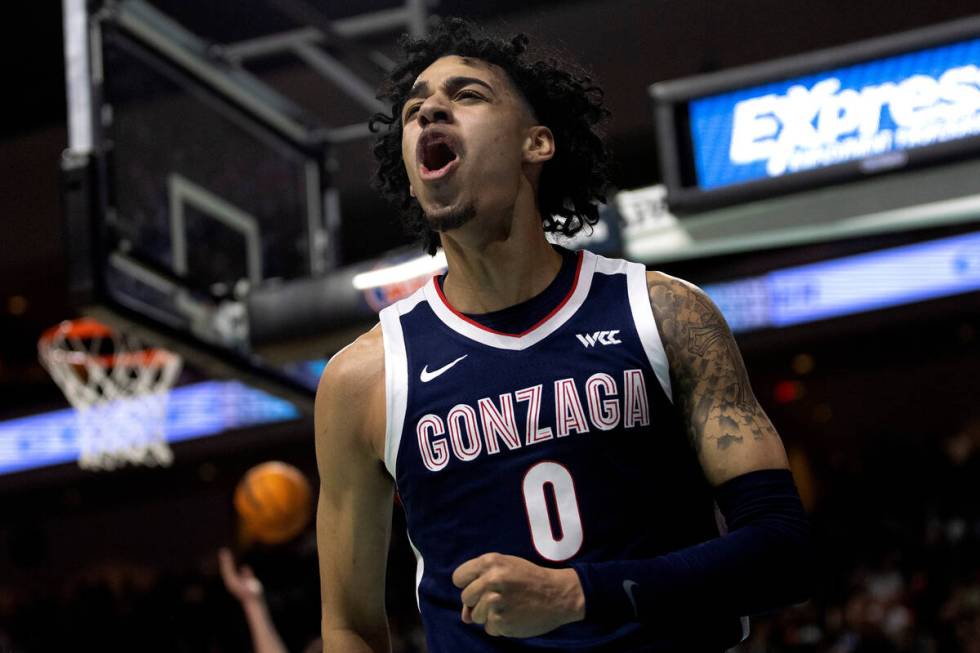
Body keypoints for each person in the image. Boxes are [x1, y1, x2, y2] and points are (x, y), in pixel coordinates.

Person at [314, 18, 813, 652]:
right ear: (412, 174)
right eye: (415, 109)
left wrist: (581, 595)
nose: (430, 109)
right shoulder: (363, 379)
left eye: (467, 95)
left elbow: (783, 552)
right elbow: (349, 627)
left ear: (537, 143)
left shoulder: (664, 314)